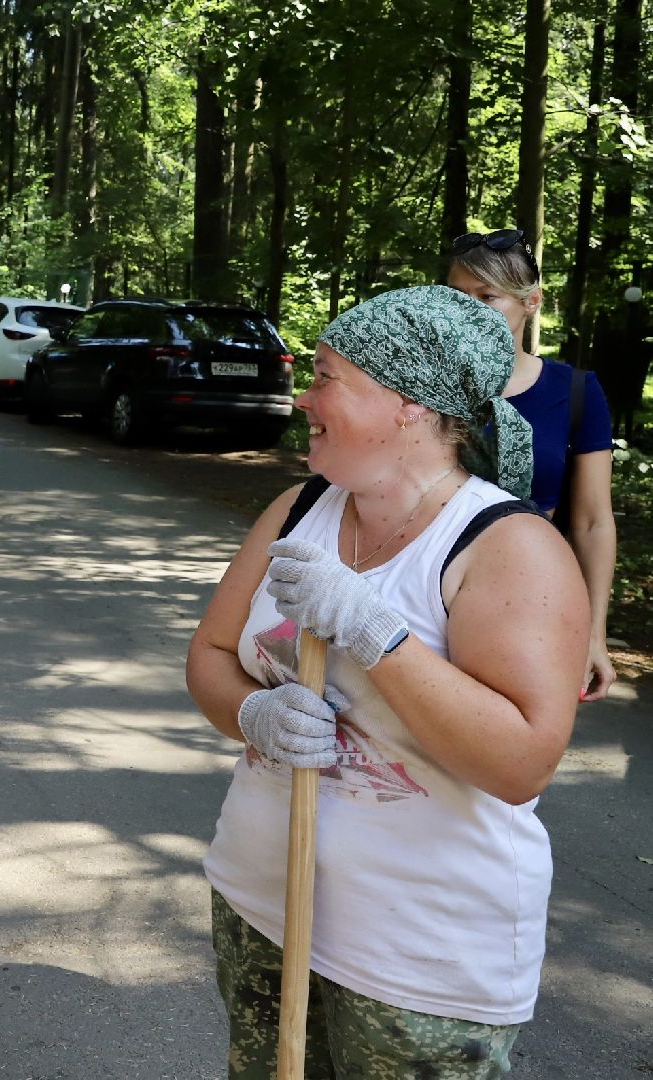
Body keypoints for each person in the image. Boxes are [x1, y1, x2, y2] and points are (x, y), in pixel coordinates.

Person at [187, 285, 588, 1078]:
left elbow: (520, 764)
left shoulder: (508, 546)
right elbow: (210, 653)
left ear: (408, 403)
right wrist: (253, 712)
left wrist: (375, 633)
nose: (304, 396)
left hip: (419, 965)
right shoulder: (298, 508)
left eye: (327, 375)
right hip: (260, 906)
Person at [445, 229, 618, 700]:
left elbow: (591, 522)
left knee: (505, 756)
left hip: (530, 601)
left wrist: (593, 634)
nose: (469, 311)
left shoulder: (575, 391)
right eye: (457, 296)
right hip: (425, 592)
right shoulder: (426, 389)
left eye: (487, 297)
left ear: (531, 302)